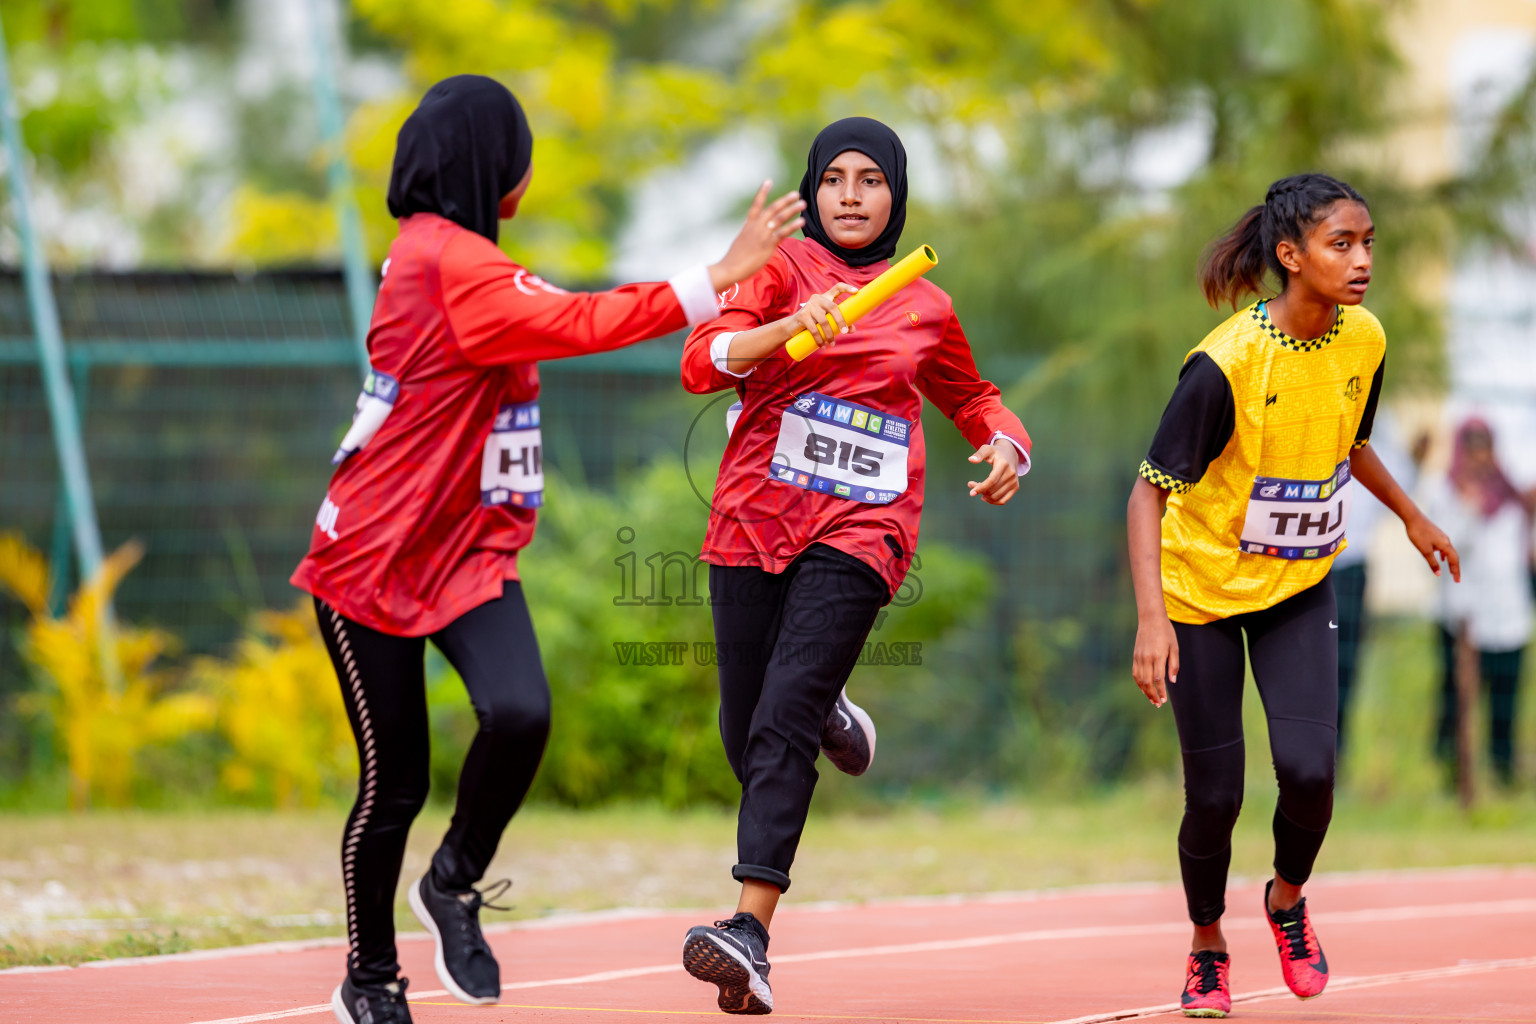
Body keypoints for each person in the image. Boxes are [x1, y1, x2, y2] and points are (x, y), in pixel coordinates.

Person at [290, 75, 807, 1024]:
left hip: (463, 559)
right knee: (393, 782)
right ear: (490, 162)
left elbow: (546, 322)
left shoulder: (470, 261)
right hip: (370, 562)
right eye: (519, 150)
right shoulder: (440, 259)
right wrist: (717, 278)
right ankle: (369, 977)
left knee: (522, 713)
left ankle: (452, 882)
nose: (525, 169)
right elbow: (580, 322)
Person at [677, 117, 1031, 1015]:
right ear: (813, 188)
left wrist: (1006, 446)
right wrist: (789, 326)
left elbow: (974, 397)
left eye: (870, 179)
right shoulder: (777, 271)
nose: (849, 194)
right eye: (833, 178)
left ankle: (749, 930)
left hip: (864, 530)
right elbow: (701, 362)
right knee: (747, 730)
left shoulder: (924, 305)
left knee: (782, 717)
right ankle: (828, 703)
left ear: (895, 195)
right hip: (754, 521)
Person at [1126, 173, 1459, 1018]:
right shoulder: (1226, 362)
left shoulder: (1365, 340)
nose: (1362, 261)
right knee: (1217, 797)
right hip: (1199, 590)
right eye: (1341, 244)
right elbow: (1147, 493)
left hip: (1297, 585)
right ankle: (1207, 945)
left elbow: (1352, 444)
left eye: (1368, 242)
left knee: (1310, 775)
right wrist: (1152, 621)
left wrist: (1414, 515)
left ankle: (1285, 900)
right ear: (1290, 256)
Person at [1424, 417, 1533, 787]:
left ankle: (1503, 771)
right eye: (1472, 449)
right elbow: (1448, 548)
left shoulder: (1511, 495)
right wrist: (1469, 506)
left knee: (1504, 697)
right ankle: (1451, 770)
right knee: (1456, 697)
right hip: (1462, 615)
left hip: (1509, 614)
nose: (1480, 458)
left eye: (1485, 448)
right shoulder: (1445, 492)